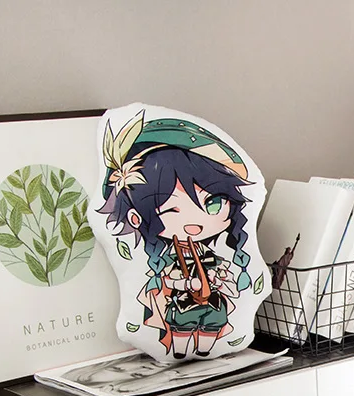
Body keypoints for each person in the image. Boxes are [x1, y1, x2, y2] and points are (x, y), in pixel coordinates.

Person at [99, 111, 254, 358]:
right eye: (171, 209)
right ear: (136, 216)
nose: (194, 224)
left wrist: (221, 278)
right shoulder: (171, 257)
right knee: (182, 324)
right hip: (183, 302)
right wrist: (187, 284)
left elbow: (224, 275)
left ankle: (204, 348)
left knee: (213, 322)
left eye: (212, 203)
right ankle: (181, 350)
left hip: (211, 302)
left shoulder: (207, 253)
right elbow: (167, 281)